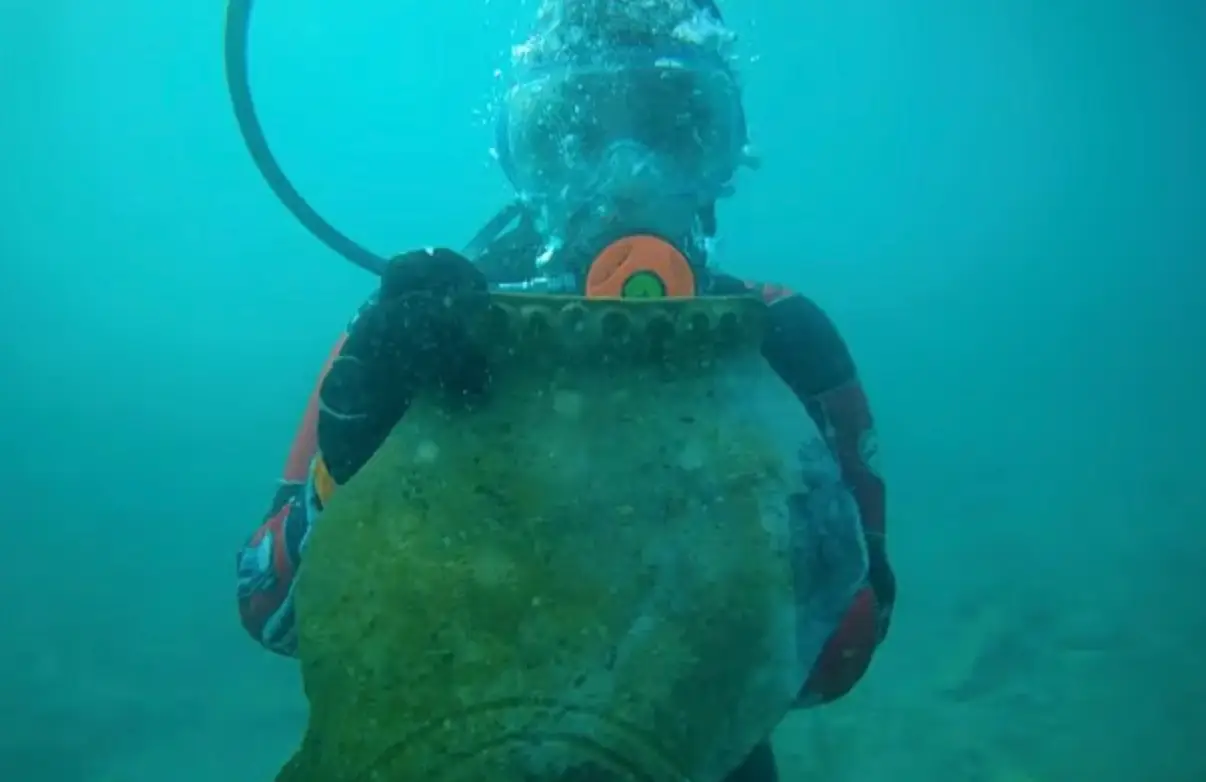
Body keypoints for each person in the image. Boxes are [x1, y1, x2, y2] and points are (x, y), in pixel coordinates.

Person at [235, 2, 896, 780]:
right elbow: (271, 612)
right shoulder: (415, 336)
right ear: (522, 160)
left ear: (723, 152)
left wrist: (780, 522)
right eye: (572, 139)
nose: (624, 180)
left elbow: (843, 653)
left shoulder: (780, 345)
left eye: (671, 131)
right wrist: (345, 465)